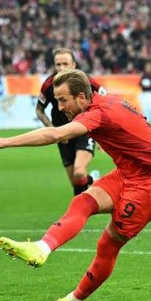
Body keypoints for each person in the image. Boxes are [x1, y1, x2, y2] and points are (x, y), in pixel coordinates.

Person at [0, 68, 151, 301]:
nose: (60, 107)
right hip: (127, 173)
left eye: (63, 100)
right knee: (83, 201)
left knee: (108, 245)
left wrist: (3, 142)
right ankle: (42, 247)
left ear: (82, 98)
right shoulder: (104, 101)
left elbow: (54, 133)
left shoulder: (97, 114)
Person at [36, 48, 106, 196]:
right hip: (63, 135)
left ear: (74, 64)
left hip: (85, 130)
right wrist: (53, 131)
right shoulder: (49, 85)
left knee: (79, 172)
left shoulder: (87, 82)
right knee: (76, 181)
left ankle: (77, 215)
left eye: (65, 64)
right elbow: (39, 110)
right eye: (58, 64)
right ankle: (93, 179)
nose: (61, 68)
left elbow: (106, 104)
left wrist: (102, 135)